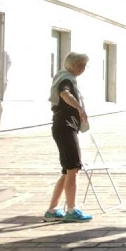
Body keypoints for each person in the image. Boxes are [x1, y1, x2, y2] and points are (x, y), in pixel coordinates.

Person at [43, 52, 93, 223]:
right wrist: (80, 108)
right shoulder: (66, 80)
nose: (84, 69)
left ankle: (52, 209)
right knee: (73, 168)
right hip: (65, 126)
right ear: (74, 66)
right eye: (82, 66)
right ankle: (72, 210)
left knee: (67, 170)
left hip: (63, 126)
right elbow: (65, 94)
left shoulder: (66, 77)